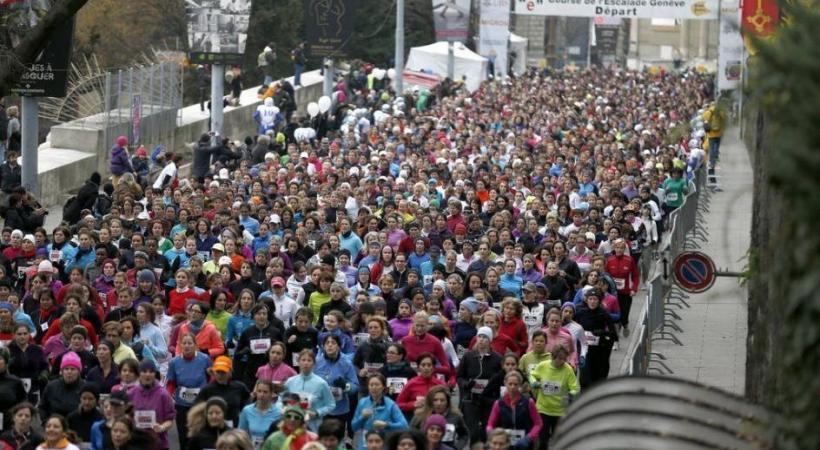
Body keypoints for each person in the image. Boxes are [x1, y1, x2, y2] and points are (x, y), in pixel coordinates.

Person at [457, 325, 503, 444]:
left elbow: (501, 379)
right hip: (471, 399)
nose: (481, 339)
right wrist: (466, 384)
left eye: (485, 337)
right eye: (479, 336)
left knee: (486, 431)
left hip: (489, 399)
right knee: (472, 432)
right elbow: (459, 376)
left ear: (490, 340)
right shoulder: (468, 356)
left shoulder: (497, 358)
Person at [166, 332, 212, 448]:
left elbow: (211, 379)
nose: (187, 346)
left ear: (196, 345)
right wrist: (167, 398)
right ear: (180, 345)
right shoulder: (174, 362)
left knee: (199, 435)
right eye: (184, 343)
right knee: (183, 436)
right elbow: (171, 383)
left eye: (190, 343)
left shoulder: (205, 359)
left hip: (200, 404)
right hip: (181, 404)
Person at [528, 345, 579, 445]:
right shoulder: (543, 366)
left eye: (564, 359)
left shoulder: (568, 369)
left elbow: (575, 387)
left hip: (559, 411)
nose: (562, 361)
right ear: (553, 356)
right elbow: (532, 375)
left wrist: (571, 395)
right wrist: (534, 382)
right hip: (543, 409)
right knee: (543, 440)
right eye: (559, 358)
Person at [486, 370, 542, 449]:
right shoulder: (499, 403)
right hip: (505, 444)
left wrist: (529, 437)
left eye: (515, 384)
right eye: (510, 384)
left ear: (520, 385)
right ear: (505, 383)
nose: (512, 387)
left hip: (524, 443)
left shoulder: (528, 402)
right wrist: (491, 435)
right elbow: (490, 424)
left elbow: (538, 423)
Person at [126, 359, 175, 450]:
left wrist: (161, 427)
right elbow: (126, 417)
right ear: (139, 374)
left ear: (155, 374)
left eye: (151, 371)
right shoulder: (131, 393)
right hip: (136, 443)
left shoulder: (163, 394)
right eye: (144, 371)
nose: (147, 374)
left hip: (158, 443)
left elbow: (170, 420)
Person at [283, 349, 336, 431]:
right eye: (303, 360)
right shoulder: (290, 382)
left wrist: (317, 413)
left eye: (309, 360)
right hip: (292, 426)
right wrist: (286, 410)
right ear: (298, 362)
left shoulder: (321, 383)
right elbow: (280, 401)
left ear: (314, 364)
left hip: (313, 427)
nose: (306, 363)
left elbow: (331, 404)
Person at [574, 289, 616, 387]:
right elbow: (574, 328)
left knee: (598, 376)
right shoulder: (580, 313)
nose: (592, 302)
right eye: (590, 299)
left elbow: (613, 333)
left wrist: (602, 333)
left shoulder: (604, 314)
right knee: (585, 375)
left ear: (599, 301)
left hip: (599, 351)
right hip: (585, 350)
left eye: (595, 299)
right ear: (586, 300)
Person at [196, 355, 250, 427]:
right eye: (218, 372)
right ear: (213, 372)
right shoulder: (207, 389)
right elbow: (197, 409)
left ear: (230, 372)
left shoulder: (240, 387)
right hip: (212, 428)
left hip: (234, 429)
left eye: (223, 372)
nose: (220, 375)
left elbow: (248, 405)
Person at [409, 385, 469, 450]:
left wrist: (457, 447)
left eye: (442, 400)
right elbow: (410, 435)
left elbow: (464, 435)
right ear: (430, 401)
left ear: (447, 402)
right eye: (435, 400)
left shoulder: (456, 416)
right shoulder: (420, 415)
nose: (439, 403)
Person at [39, 351, 86, 420]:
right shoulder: (51, 386)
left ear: (79, 372)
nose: (69, 372)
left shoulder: (85, 387)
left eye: (73, 369)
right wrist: (46, 422)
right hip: (54, 426)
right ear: (61, 371)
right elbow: (42, 408)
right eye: (66, 369)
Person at [239, 380, 282, 448]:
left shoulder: (278, 413)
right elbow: (241, 433)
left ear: (271, 393)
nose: (261, 395)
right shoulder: (247, 410)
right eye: (259, 391)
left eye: (265, 392)